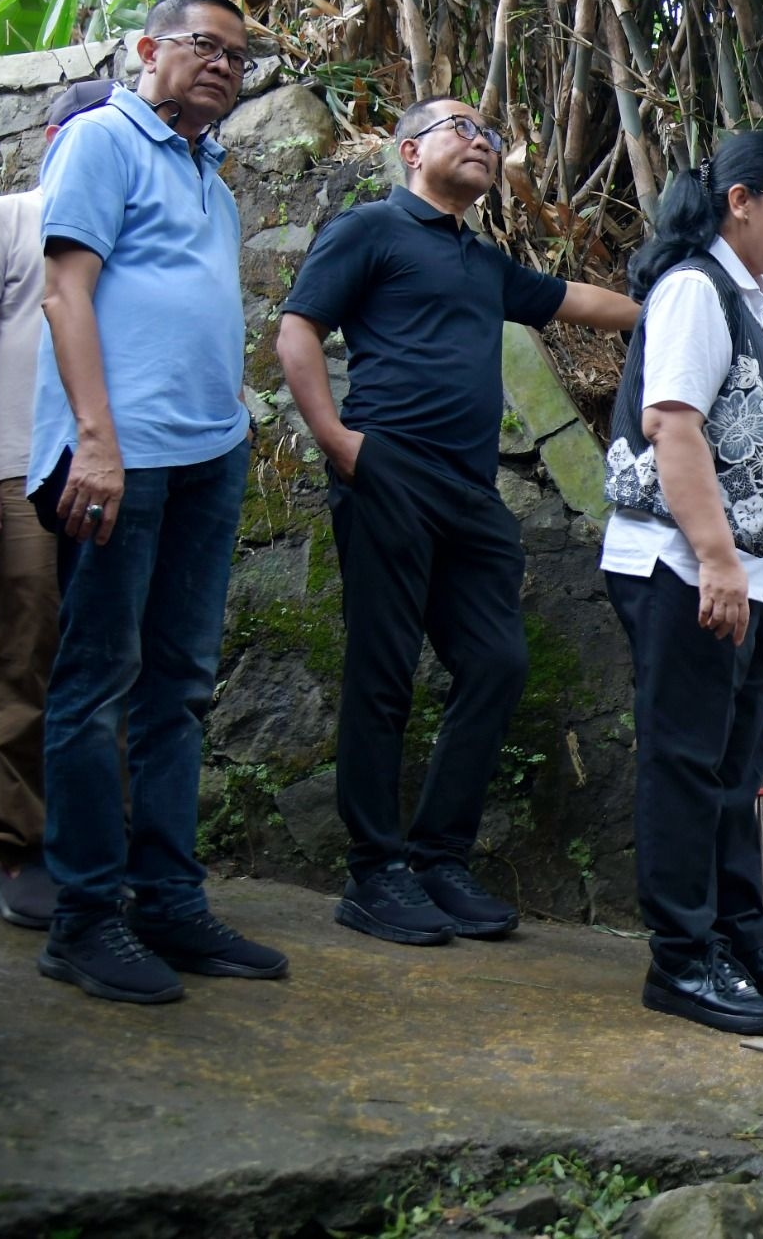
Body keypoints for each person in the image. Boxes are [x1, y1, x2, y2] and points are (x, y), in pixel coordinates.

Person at [277, 96, 637, 944]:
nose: (481, 140)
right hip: (388, 467)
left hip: (472, 494)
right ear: (410, 150)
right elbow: (299, 330)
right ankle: (374, 873)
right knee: (383, 670)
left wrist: (672, 305)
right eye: (460, 128)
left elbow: (575, 301)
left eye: (492, 136)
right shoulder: (370, 229)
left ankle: (439, 858)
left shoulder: (483, 261)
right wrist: (339, 443)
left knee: (498, 663)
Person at [27, 0, 281, 1005]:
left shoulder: (213, 182)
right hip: (117, 457)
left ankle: (167, 899)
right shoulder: (102, 140)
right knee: (96, 679)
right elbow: (64, 290)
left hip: (207, 454)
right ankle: (85, 914)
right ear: (147, 49)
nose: (223, 66)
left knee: (178, 682)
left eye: (238, 57)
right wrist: (93, 436)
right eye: (204, 47)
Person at [598, 130, 763, 1035]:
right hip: (686, 565)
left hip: (742, 570)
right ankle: (683, 958)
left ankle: (739, 937)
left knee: (735, 766)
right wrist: (721, 560)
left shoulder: (750, 299)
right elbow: (674, 426)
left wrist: (754, 564)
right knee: (689, 763)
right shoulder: (695, 289)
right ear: (740, 200)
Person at [0, 80, 110, 929]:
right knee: (27, 662)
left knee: (110, 666)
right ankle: (23, 852)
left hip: (107, 473)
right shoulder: (4, 218)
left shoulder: (125, 228)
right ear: (53, 137)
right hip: (19, 469)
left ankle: (94, 852)